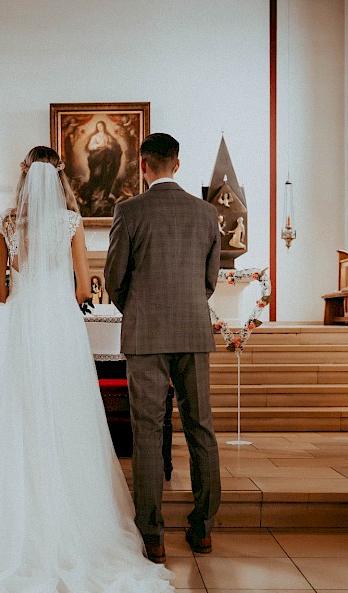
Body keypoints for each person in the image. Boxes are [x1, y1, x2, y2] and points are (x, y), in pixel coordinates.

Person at [0, 146, 174, 593]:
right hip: (60, 329)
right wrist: (58, 291)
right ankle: (78, 520)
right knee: (68, 415)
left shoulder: (6, 224)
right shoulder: (71, 222)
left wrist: (25, 285)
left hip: (22, 327)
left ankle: (17, 523)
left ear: (25, 177)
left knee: (20, 415)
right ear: (60, 179)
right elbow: (82, 286)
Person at [105, 132, 221, 563]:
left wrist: (138, 308)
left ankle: (153, 536)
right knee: (200, 428)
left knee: (148, 432)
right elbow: (209, 280)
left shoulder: (129, 210)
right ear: (178, 163)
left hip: (146, 334)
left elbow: (115, 277)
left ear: (143, 164)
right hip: (192, 330)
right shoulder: (206, 212)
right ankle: (203, 529)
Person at [78, 120, 123, 216]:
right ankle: (94, 195)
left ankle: (103, 195)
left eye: (101, 126)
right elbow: (90, 147)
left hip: (106, 160)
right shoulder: (95, 137)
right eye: (98, 126)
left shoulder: (108, 137)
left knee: (105, 175)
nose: (100, 128)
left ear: (104, 127)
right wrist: (99, 145)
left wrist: (109, 146)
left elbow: (113, 147)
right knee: (96, 175)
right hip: (98, 158)